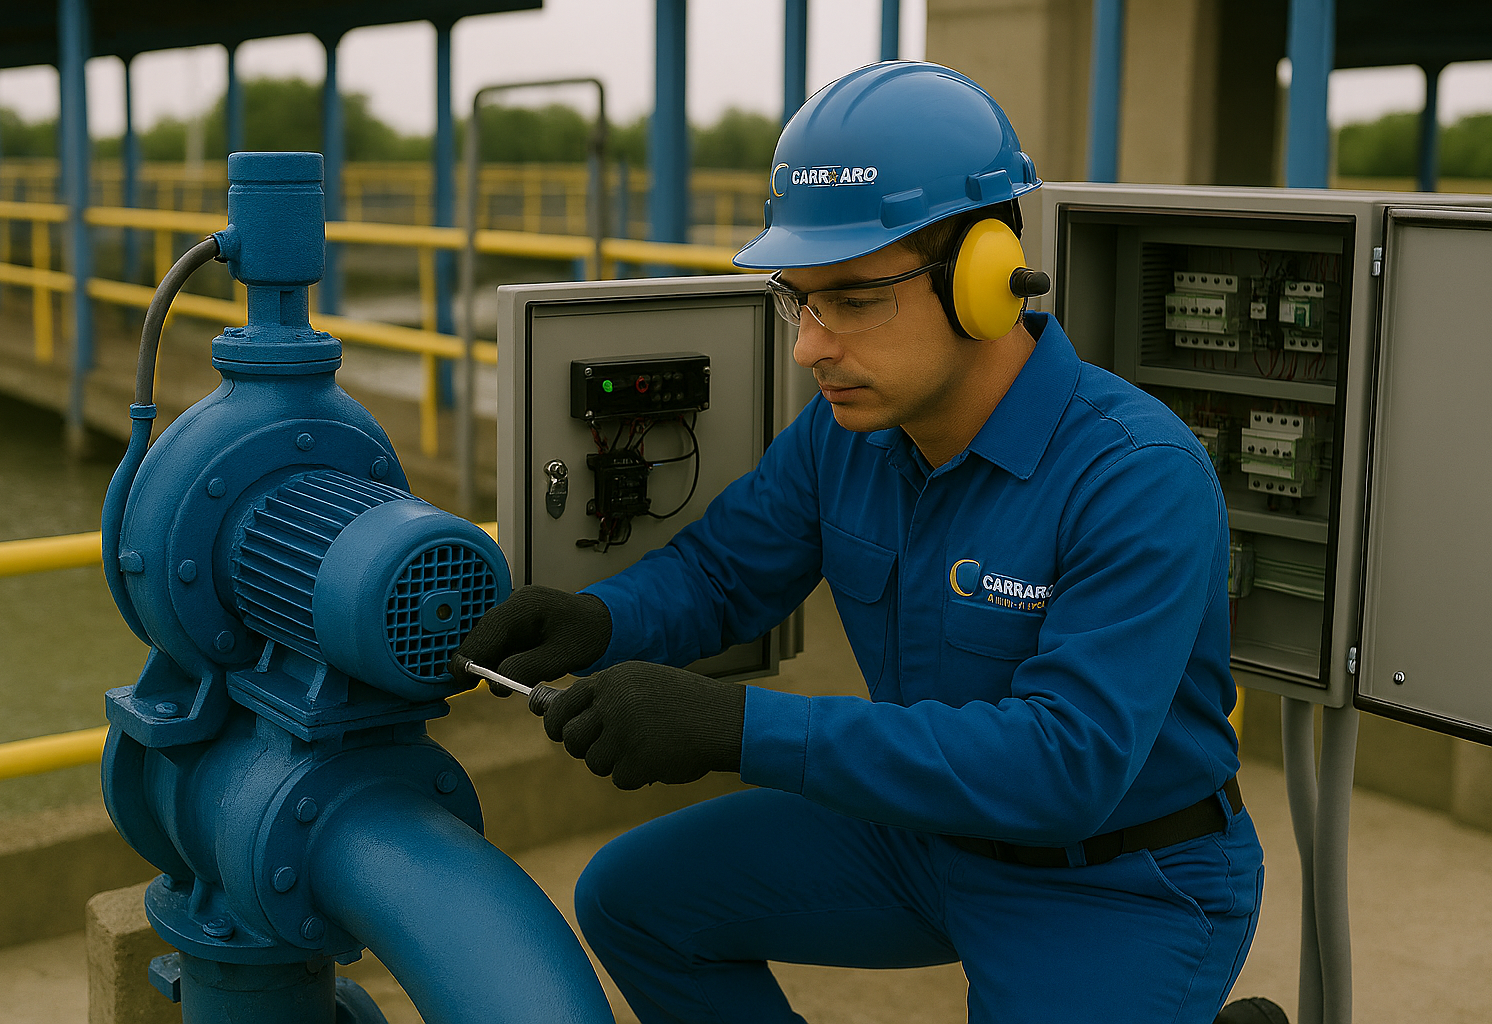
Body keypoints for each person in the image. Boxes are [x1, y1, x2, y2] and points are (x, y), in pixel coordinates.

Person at [452, 61, 1264, 1024]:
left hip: (1116, 880)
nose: (810, 346)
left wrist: (739, 729)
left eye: (853, 298)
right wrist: (597, 620)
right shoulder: (849, 437)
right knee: (635, 902)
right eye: (800, 298)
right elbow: (722, 575)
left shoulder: (1134, 474)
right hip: (922, 832)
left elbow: (1065, 765)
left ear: (983, 281)